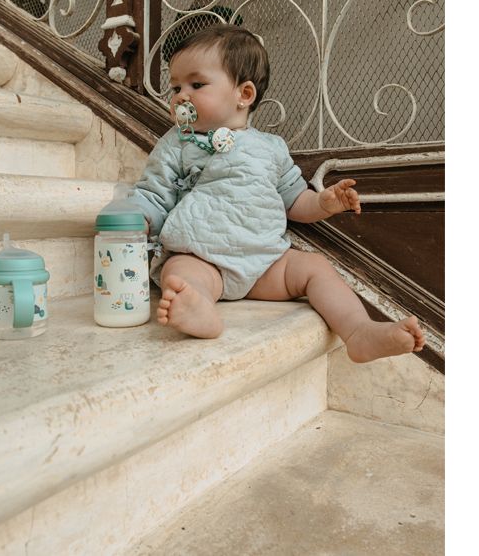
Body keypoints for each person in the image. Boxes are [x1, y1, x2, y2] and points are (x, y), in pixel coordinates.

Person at [128, 25, 424, 362]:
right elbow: (155, 192)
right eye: (176, 87)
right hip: (202, 257)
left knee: (315, 267)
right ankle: (199, 308)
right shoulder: (177, 143)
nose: (181, 96)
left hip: (264, 262)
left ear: (244, 94)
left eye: (196, 85)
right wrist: (138, 217)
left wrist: (324, 202)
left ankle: (359, 331)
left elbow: (294, 200)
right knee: (179, 272)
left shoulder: (271, 148)